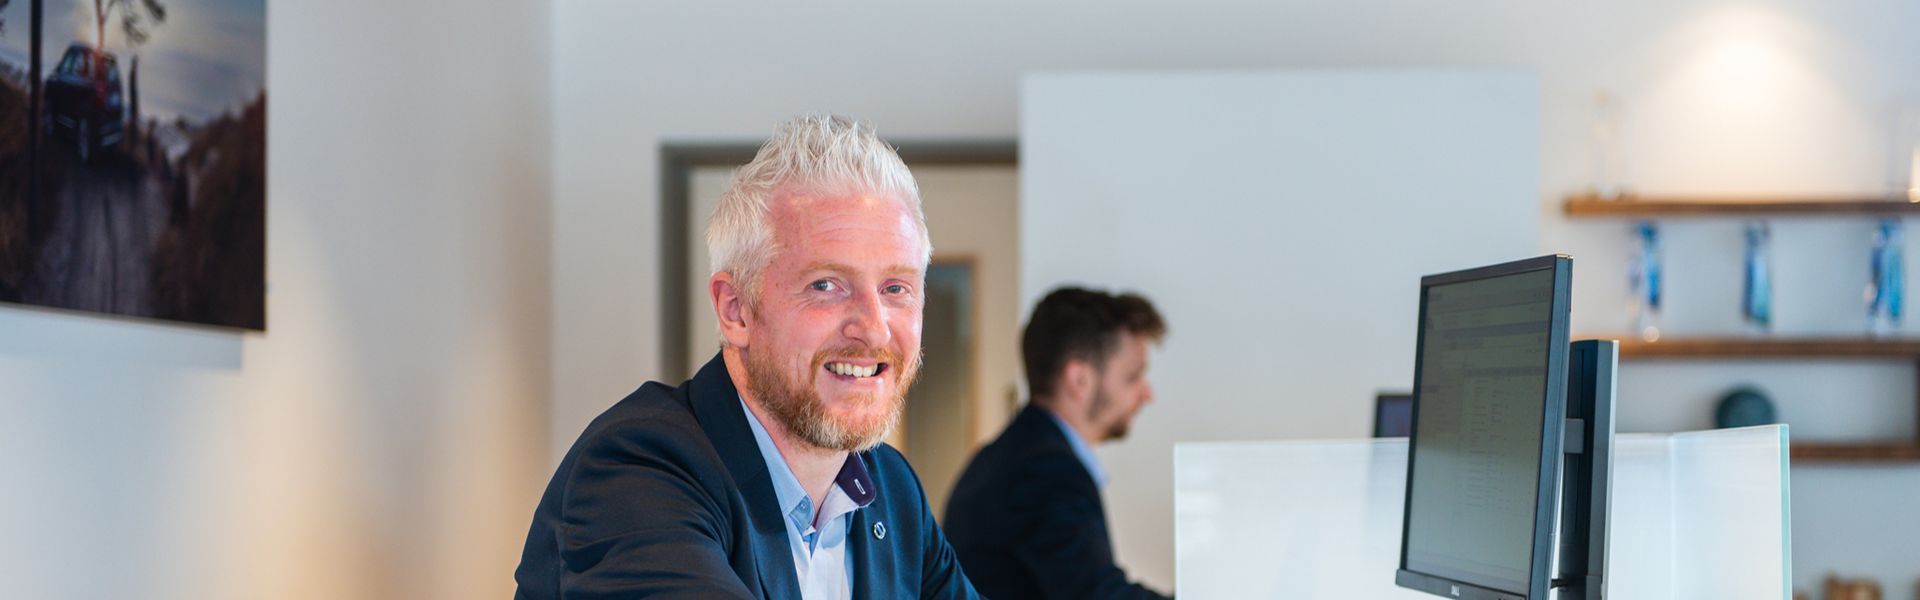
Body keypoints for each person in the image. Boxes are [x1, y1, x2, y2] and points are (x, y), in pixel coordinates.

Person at [513, 114, 980, 599]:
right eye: (825, 285)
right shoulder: (635, 473)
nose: (875, 326)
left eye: (896, 288)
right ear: (735, 310)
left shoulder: (891, 489)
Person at [944, 287, 1172, 599]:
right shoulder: (1044, 470)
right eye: (1132, 377)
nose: (1147, 394)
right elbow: (1098, 595)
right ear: (1079, 380)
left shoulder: (1007, 455)